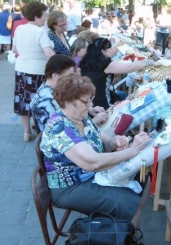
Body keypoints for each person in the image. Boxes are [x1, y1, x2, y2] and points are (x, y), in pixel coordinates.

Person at [40, 73, 152, 230]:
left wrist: (113, 142)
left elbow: (102, 140)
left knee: (144, 176)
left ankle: (124, 230)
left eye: (90, 99)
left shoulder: (81, 117)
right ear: (68, 103)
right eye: (85, 101)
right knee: (129, 204)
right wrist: (132, 151)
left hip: (90, 176)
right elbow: (93, 162)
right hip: (70, 187)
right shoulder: (61, 129)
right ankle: (130, 235)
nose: (90, 104)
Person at [12, 1, 55, 142]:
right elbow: (48, 52)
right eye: (44, 16)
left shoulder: (19, 29)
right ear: (36, 17)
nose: (46, 19)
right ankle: (42, 130)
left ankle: (26, 132)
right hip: (38, 71)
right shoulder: (40, 31)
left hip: (21, 70)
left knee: (24, 101)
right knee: (40, 102)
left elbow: (14, 50)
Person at [30, 55, 107, 132]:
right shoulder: (48, 100)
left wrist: (89, 109)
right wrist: (94, 121)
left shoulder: (52, 88)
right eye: (69, 75)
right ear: (55, 76)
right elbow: (62, 132)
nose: (72, 77)